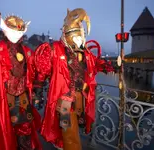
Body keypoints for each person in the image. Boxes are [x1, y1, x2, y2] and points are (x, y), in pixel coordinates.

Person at [33, 8, 113, 150]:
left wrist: (110, 66)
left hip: (80, 100)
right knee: (70, 136)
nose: (79, 40)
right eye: (75, 37)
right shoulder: (54, 49)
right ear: (67, 35)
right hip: (64, 102)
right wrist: (38, 92)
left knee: (69, 132)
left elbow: (96, 64)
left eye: (81, 37)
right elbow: (42, 72)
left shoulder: (86, 54)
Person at [0, 15, 42, 150]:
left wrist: (37, 90)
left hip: (23, 98)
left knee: (25, 131)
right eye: (13, 31)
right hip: (5, 98)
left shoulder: (28, 52)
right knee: (7, 132)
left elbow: (35, 73)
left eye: (19, 32)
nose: (16, 34)